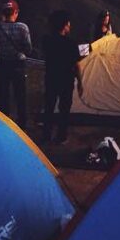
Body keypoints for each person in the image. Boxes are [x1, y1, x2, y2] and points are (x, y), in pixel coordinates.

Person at [0, 0, 33, 128]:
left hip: (3, 65)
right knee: (20, 95)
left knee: (3, 95)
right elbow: (28, 49)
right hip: (18, 65)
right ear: (16, 12)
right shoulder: (23, 27)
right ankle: (22, 124)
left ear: (3, 13)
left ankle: (4, 123)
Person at [42, 10, 83, 145]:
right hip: (66, 80)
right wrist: (81, 83)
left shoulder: (47, 41)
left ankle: (46, 135)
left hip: (51, 78)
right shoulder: (71, 43)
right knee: (64, 110)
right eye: (68, 24)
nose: (70, 26)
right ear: (64, 25)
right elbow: (77, 65)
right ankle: (61, 136)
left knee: (49, 107)